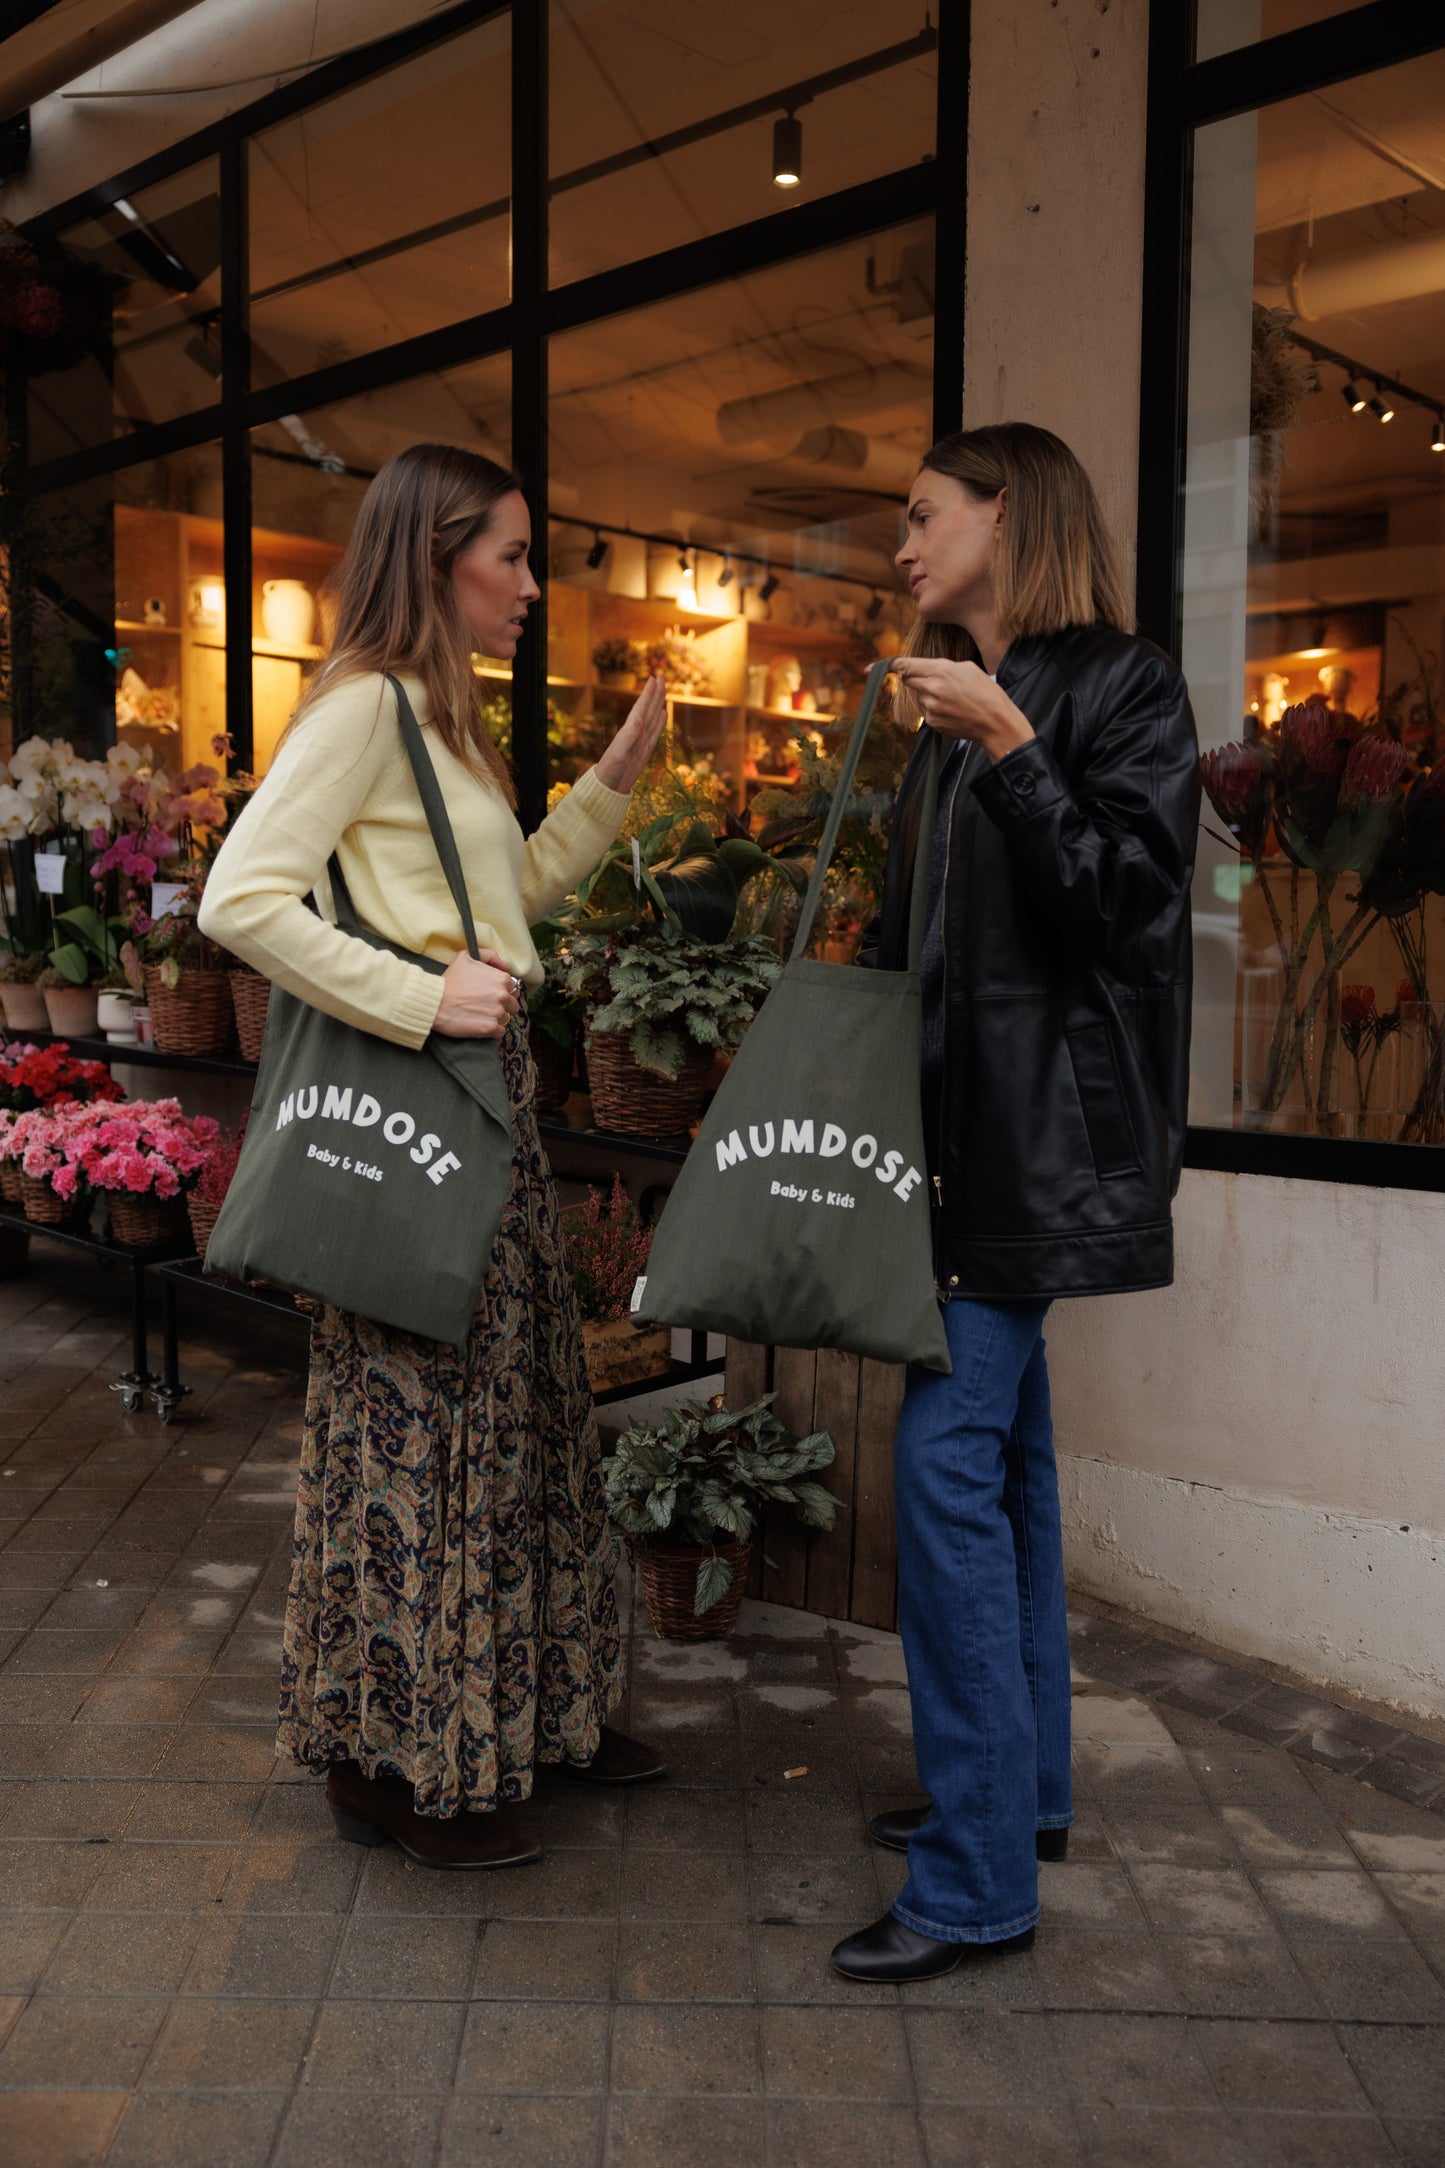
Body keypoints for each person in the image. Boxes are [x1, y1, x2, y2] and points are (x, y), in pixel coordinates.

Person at [200, 443, 668, 1868]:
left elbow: (501, 897)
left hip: (484, 1103)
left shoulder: (443, 719)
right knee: (417, 1439)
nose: (532, 585)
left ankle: (521, 1718)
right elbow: (240, 897)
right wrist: (418, 995)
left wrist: (611, 783)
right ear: (436, 553)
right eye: (511, 555)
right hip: (413, 1106)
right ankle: (390, 1768)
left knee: (513, 1427)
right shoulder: (358, 708)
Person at [831, 422, 1200, 1982]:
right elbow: (921, 948)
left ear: (1006, 512)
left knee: (938, 1478)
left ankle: (975, 1880)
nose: (903, 548)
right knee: (1009, 1472)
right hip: (946, 1150)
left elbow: (1124, 902)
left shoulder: (1116, 683)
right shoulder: (937, 711)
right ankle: (1021, 1798)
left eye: (925, 517)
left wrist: (1010, 747)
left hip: (1033, 1154)